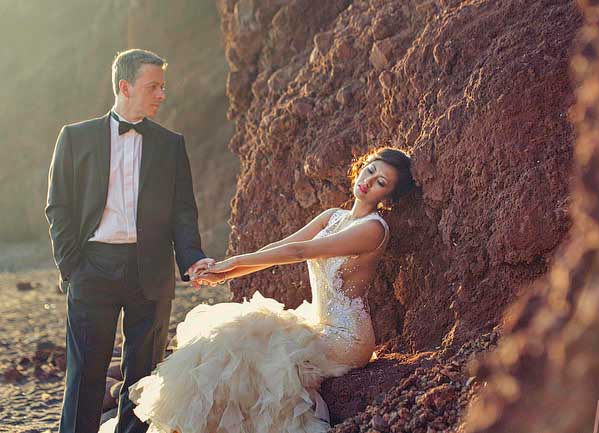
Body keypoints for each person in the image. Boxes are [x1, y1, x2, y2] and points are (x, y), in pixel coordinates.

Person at [102, 147, 415, 433]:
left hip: (346, 337)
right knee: (231, 336)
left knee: (245, 341)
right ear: (362, 165)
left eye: (381, 183)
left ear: (387, 196)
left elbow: (299, 253)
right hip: (318, 325)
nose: (369, 181)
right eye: (371, 170)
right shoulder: (333, 217)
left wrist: (235, 261)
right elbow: (281, 246)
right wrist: (223, 272)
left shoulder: (373, 228)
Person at [45, 48, 215, 433]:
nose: (161, 94)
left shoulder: (171, 144)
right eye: (153, 86)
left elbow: (183, 211)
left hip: (150, 271)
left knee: (144, 380)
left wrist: (192, 259)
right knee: (85, 376)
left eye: (163, 86)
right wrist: (71, 266)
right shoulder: (75, 137)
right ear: (125, 86)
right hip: (92, 268)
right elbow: (59, 207)